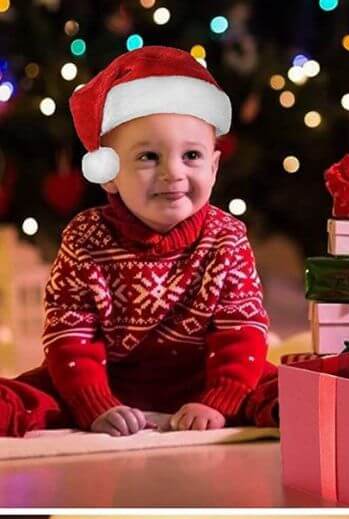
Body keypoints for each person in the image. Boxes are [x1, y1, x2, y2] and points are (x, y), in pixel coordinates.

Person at [0, 46, 277, 438]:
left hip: (204, 374)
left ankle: (286, 411)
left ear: (214, 167)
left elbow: (240, 329)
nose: (173, 173)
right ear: (109, 172)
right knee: (29, 393)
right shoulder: (85, 238)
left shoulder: (226, 238)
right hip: (106, 378)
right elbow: (70, 334)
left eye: (192, 155)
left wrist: (219, 400)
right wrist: (93, 402)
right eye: (148, 157)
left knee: (275, 382)